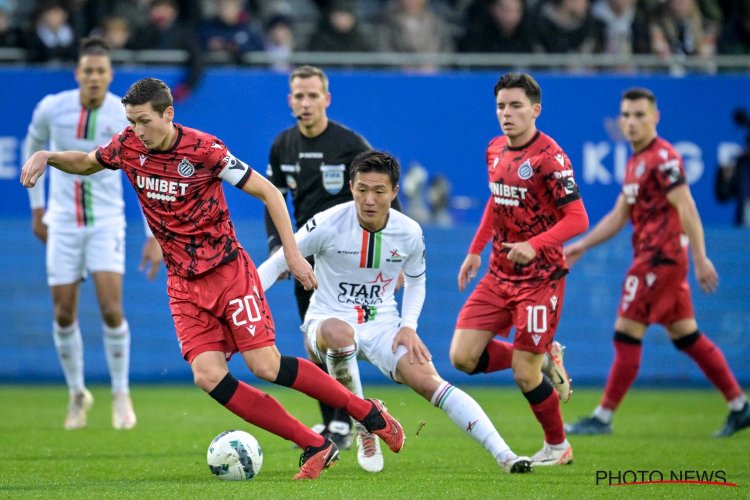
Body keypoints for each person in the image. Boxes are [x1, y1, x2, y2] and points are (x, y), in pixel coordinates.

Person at [20, 77, 405, 481]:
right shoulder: (128, 147)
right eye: (131, 122)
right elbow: (86, 162)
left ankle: (368, 412)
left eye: (144, 121)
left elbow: (270, 192)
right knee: (207, 376)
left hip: (228, 275)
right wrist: (48, 155)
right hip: (183, 285)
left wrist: (291, 253)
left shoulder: (206, 150)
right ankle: (314, 443)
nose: (137, 131)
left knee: (265, 365)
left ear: (169, 114)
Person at [258, 150, 533, 474]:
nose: (369, 199)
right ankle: (365, 423)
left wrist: (409, 325)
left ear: (394, 192)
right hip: (327, 322)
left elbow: (417, 280)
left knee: (432, 382)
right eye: (362, 189)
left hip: (383, 324)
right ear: (351, 187)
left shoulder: (409, 232)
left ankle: (506, 456)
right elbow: (277, 262)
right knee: (340, 335)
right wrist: (245, 306)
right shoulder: (327, 223)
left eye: (379, 191)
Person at [564, 87, 750, 437]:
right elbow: (620, 215)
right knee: (686, 335)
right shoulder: (636, 161)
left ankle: (603, 417)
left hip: (658, 259)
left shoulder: (663, 157)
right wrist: (582, 245)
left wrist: (700, 257)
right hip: (659, 260)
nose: (632, 122)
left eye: (639, 115)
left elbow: (687, 206)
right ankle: (740, 406)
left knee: (625, 334)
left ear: (655, 117)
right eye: (627, 116)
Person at [448, 72, 590, 467]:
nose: (506, 114)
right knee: (461, 356)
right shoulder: (494, 149)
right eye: (501, 106)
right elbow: (498, 202)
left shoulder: (551, 158)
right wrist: (475, 250)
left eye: (515, 106)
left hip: (541, 280)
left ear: (535, 109)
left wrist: (535, 244)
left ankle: (558, 446)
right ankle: (544, 356)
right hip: (498, 274)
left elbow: (578, 219)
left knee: (524, 375)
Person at [24, 36, 163, 431]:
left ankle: (121, 392)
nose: (94, 77)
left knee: (110, 308)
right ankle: (76, 393)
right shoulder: (53, 108)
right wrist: (38, 209)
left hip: (106, 221)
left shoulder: (126, 117)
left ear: (110, 75)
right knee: (64, 312)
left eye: (101, 71)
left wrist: (153, 233)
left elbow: (142, 175)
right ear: (78, 73)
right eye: (88, 70)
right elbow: (34, 146)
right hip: (63, 222)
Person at [265, 65, 401, 453]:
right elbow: (273, 200)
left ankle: (358, 416)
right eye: (298, 96)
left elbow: (390, 198)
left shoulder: (349, 143)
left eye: (312, 95)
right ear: (290, 100)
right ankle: (336, 425)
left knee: (350, 342)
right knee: (315, 347)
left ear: (327, 98)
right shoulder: (282, 145)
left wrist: (397, 258)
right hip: (306, 257)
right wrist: (279, 247)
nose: (305, 103)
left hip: (349, 258)